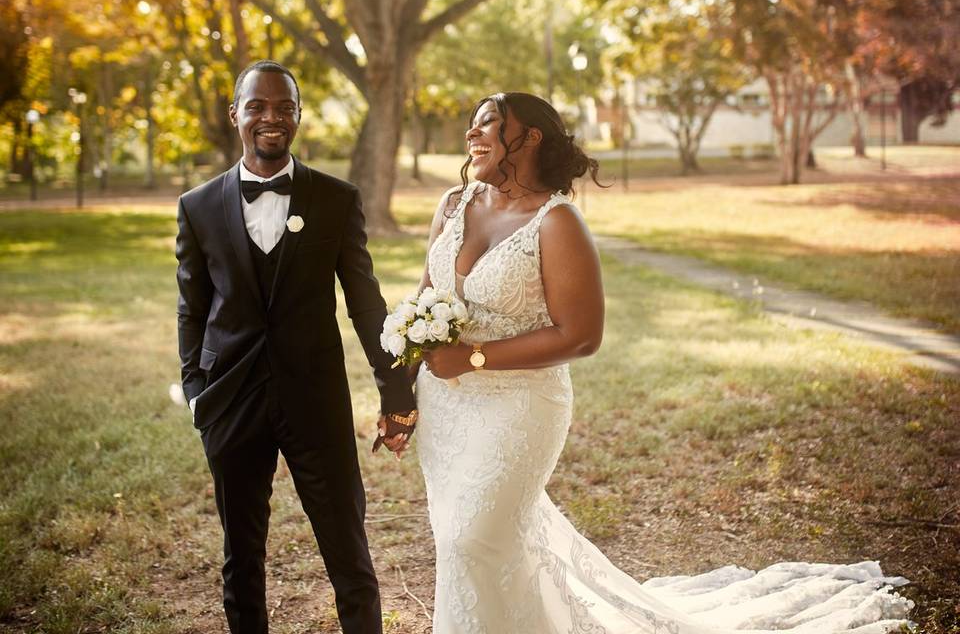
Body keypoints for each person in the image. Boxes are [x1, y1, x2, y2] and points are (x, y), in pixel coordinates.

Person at [397, 91, 914, 632]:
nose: (472, 135)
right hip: (447, 409)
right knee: (473, 543)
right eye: (471, 126)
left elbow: (580, 336)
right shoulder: (454, 205)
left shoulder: (556, 223)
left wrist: (473, 357)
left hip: (519, 407)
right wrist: (400, 396)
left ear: (529, 139)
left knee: (472, 537)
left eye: (489, 125)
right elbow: (425, 299)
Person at [174, 60, 416, 634]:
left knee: (349, 554)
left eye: (284, 107)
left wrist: (395, 390)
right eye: (257, 106)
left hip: (316, 401)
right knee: (242, 558)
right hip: (230, 403)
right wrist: (195, 394)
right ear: (235, 115)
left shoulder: (336, 198)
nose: (271, 118)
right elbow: (192, 308)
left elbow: (365, 303)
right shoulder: (198, 207)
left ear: (299, 116)